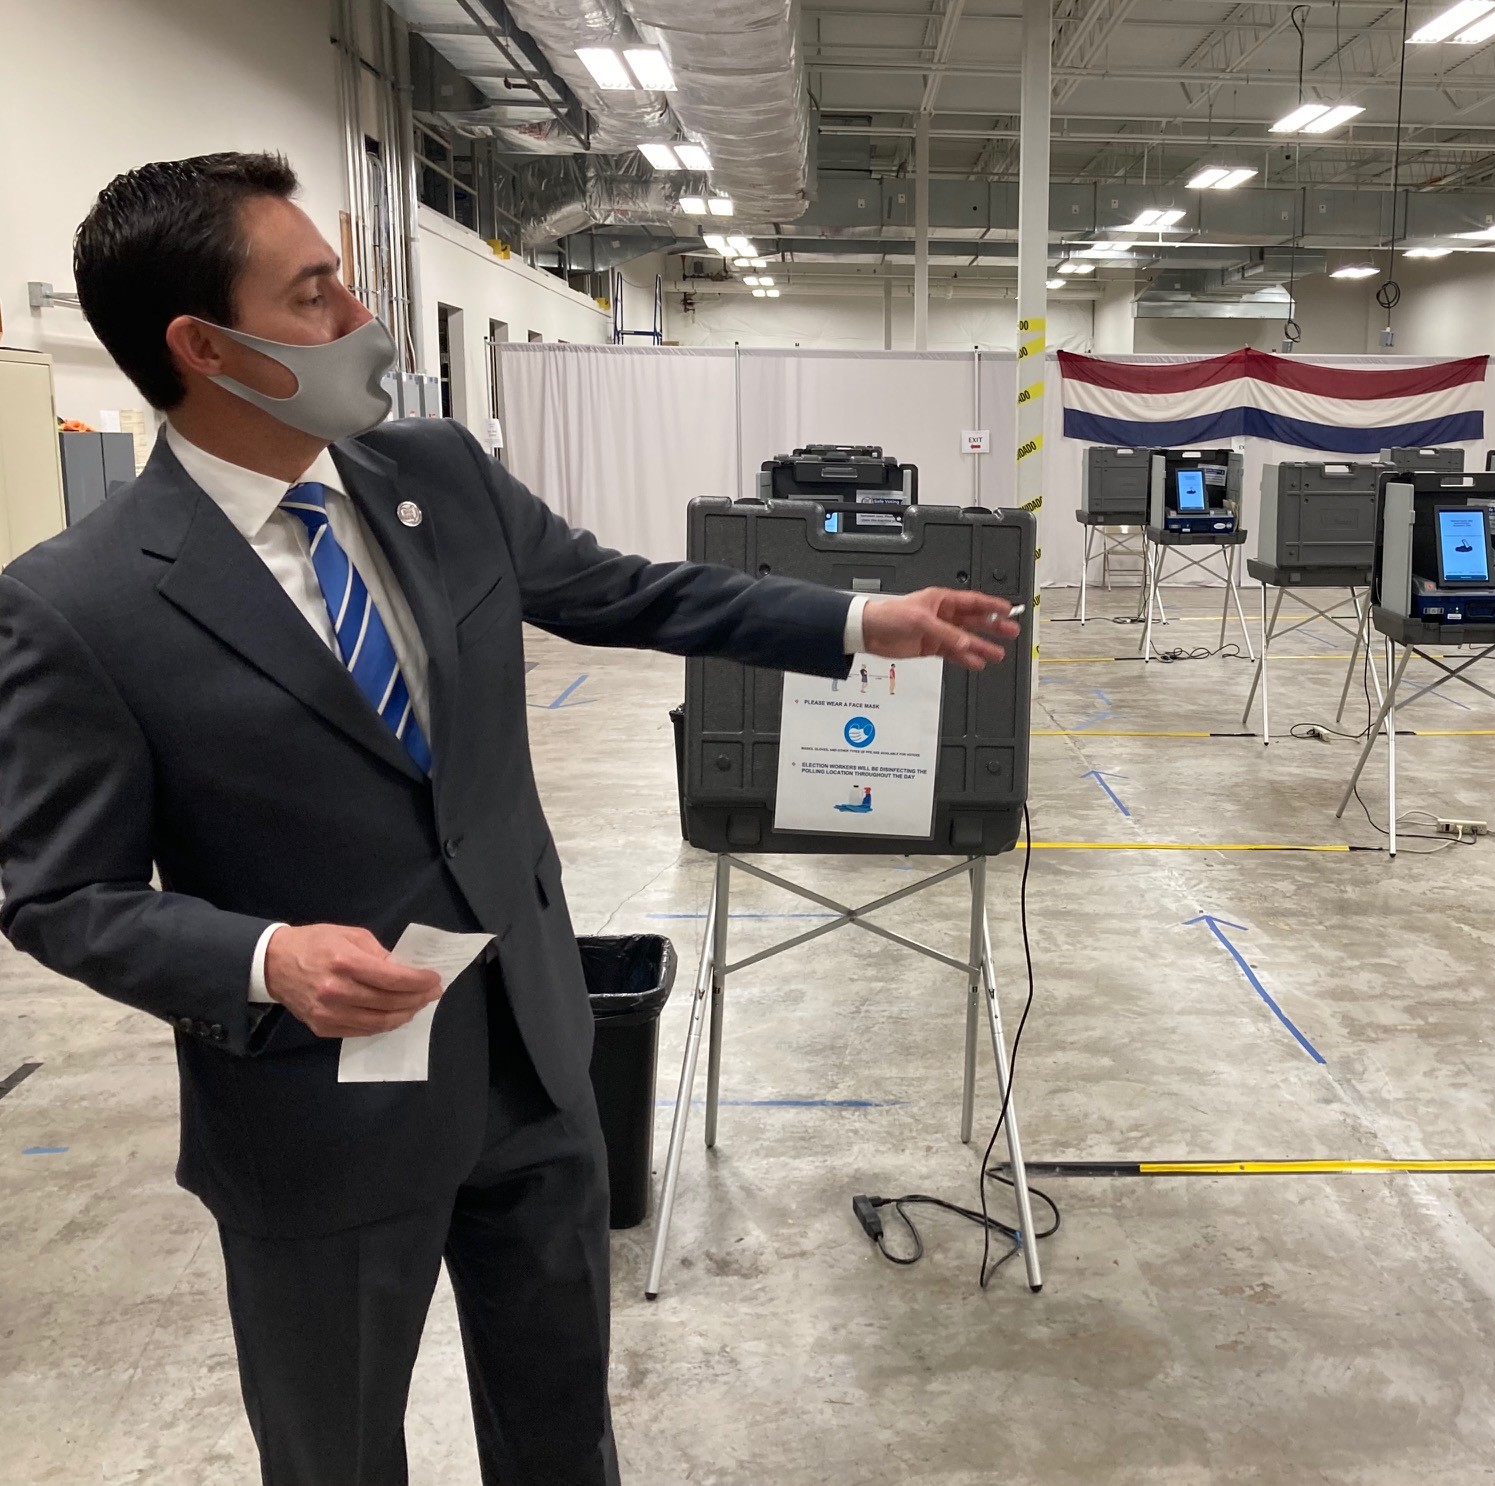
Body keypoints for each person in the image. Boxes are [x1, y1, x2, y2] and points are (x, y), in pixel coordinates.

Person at [0, 153, 1018, 1486]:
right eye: (314, 296)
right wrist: (263, 960)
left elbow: (622, 589)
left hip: (533, 1057)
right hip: (320, 1107)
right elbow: (60, 893)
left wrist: (854, 617)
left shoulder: (431, 471)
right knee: (339, 1448)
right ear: (205, 345)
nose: (359, 316)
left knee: (560, 1423)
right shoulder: (81, 603)